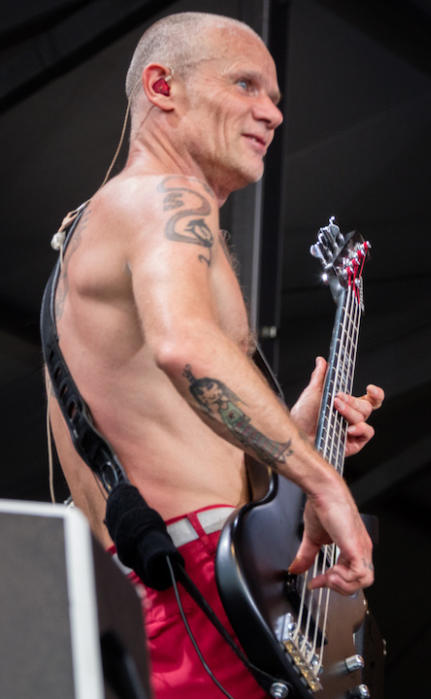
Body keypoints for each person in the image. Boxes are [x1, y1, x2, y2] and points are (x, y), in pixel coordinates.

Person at [44, 12, 384, 698]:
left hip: (163, 585)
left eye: (278, 98)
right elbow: (185, 346)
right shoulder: (163, 197)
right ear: (163, 87)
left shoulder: (120, 215)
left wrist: (291, 426)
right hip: (194, 579)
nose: (272, 113)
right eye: (246, 86)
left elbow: (164, 416)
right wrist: (322, 480)